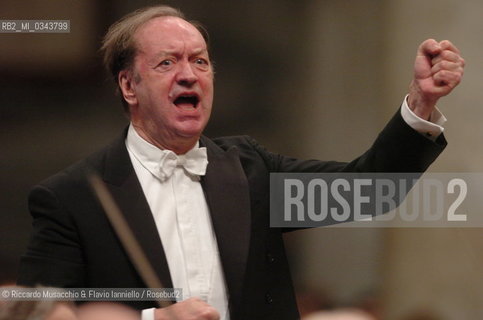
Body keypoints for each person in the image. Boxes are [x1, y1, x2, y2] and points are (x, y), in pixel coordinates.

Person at [17, 5, 464, 320]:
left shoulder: (252, 170)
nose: (189, 74)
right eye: (167, 62)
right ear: (129, 86)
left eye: (200, 61)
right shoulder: (72, 197)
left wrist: (421, 103)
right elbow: (42, 314)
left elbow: (369, 189)